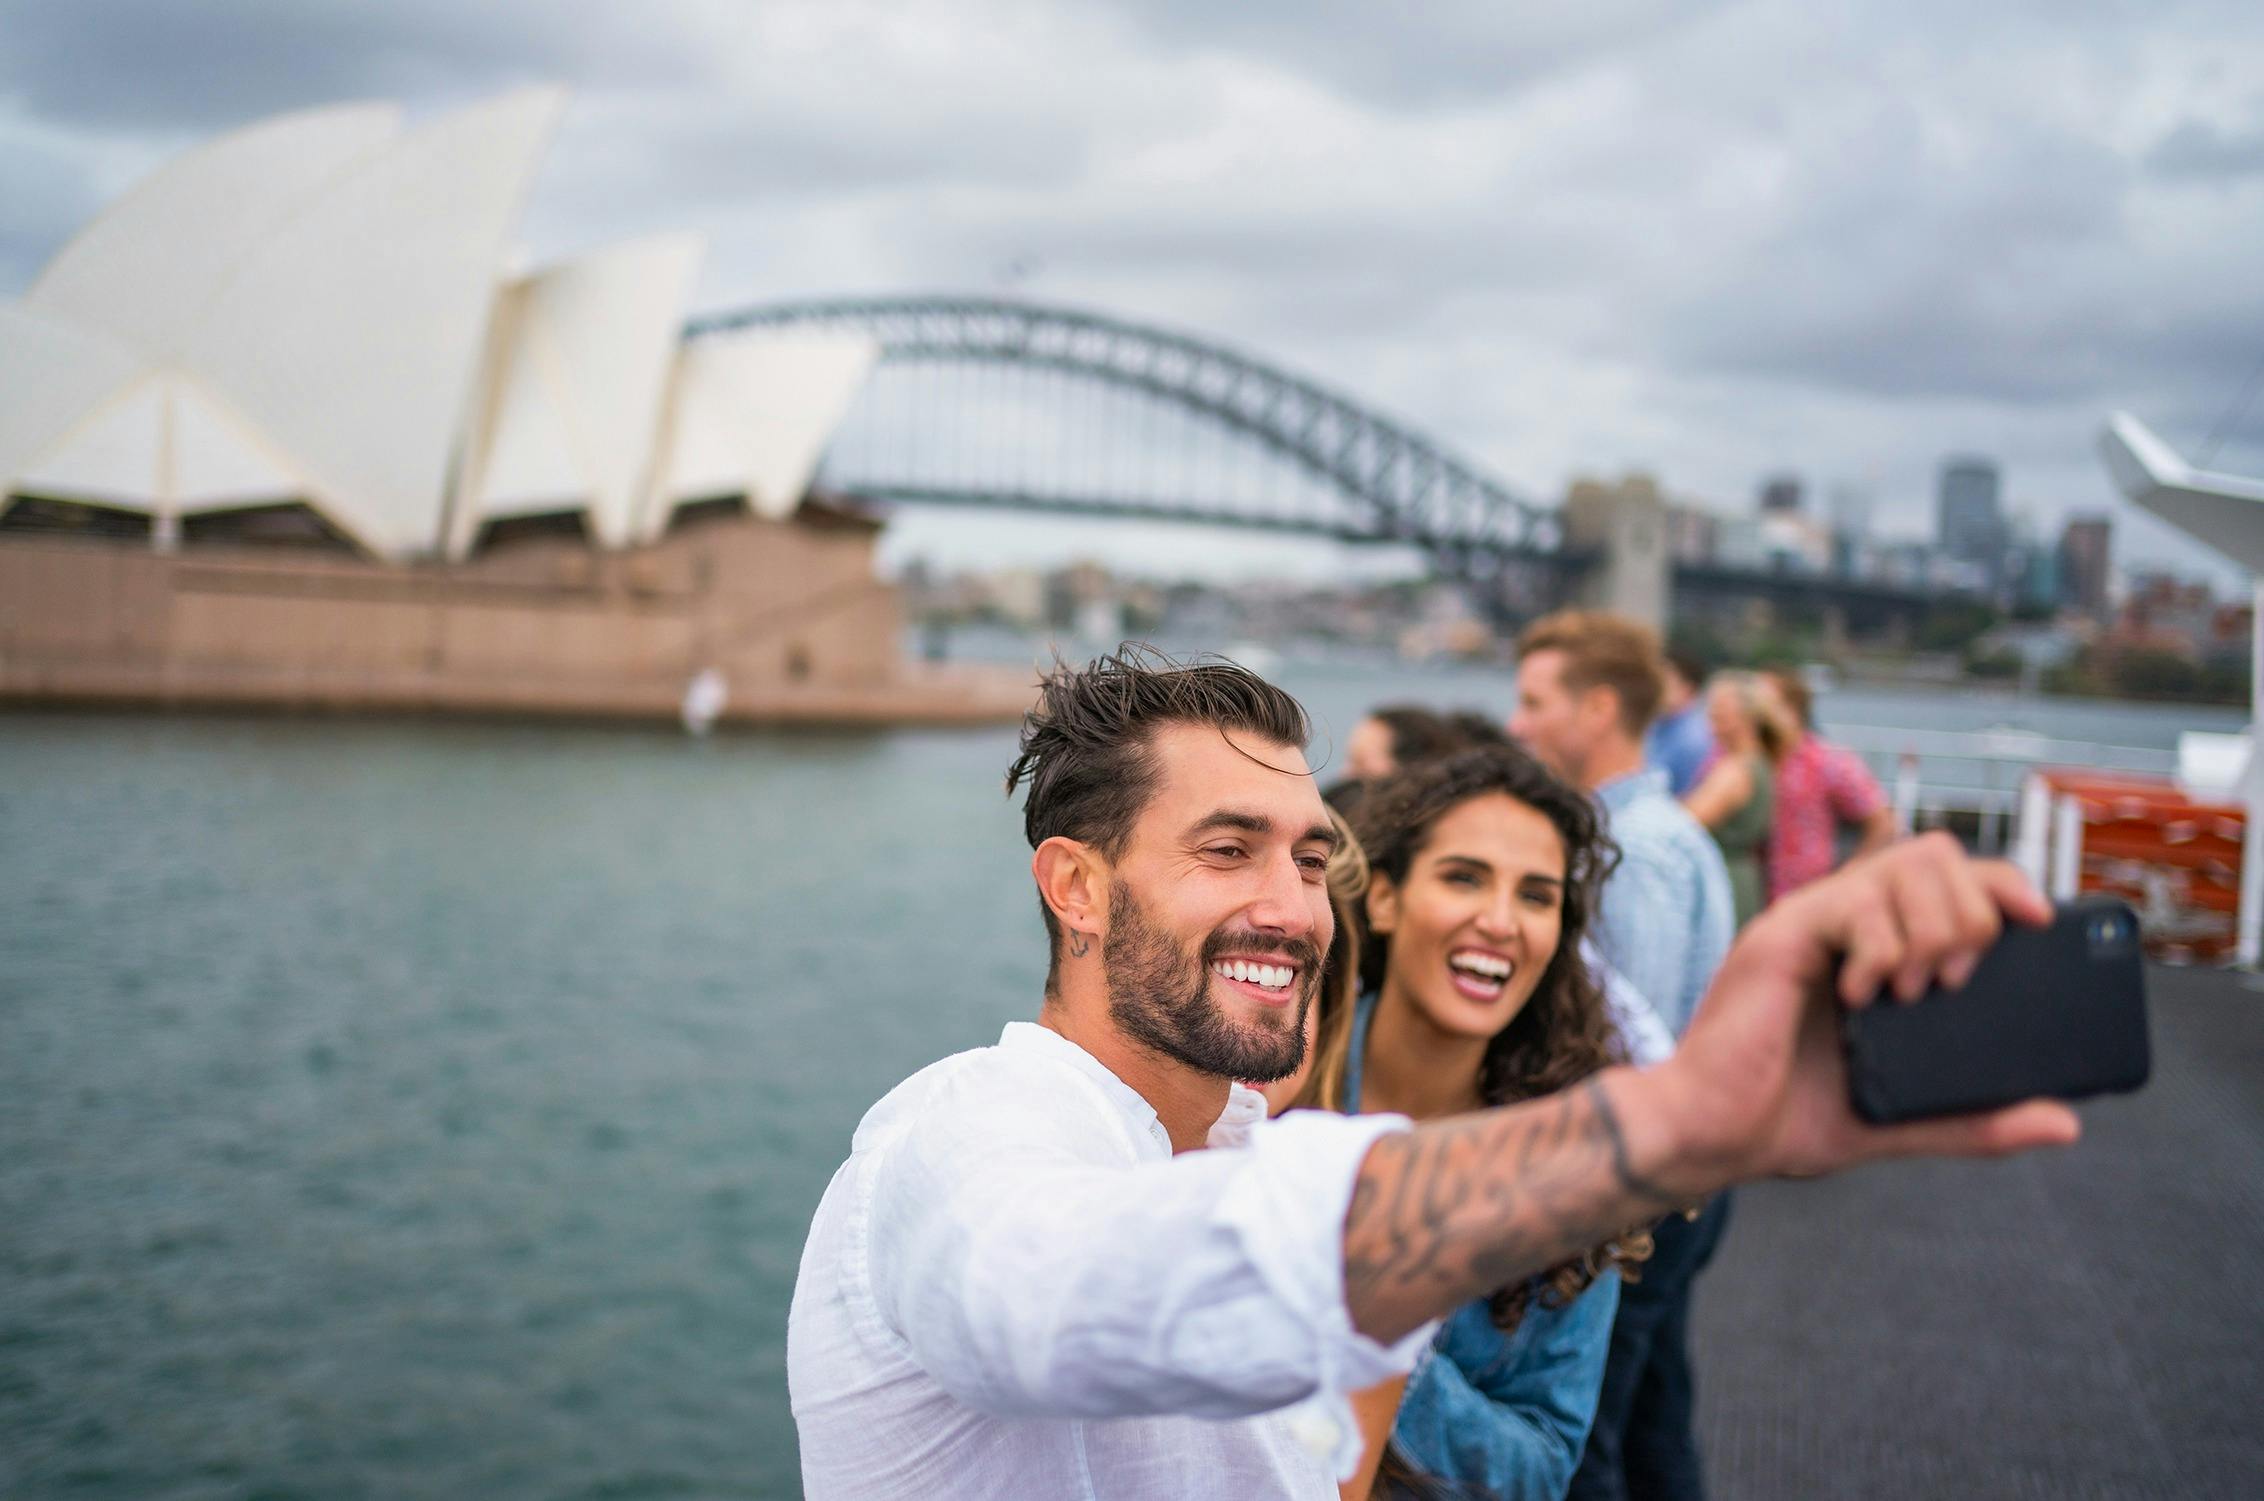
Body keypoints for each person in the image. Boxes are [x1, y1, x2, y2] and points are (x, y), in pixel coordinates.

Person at [788, 644, 2080, 1500]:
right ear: (1075, 887)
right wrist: (1680, 1121)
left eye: (1308, 858)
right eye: (1226, 849)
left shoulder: (1253, 1138)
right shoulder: (956, 1137)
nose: (1290, 906)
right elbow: (1053, 1290)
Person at [1297, 745, 1653, 1499]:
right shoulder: (1275, 1081)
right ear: (1385, 899)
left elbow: (1543, 1465)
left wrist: (1390, 1340)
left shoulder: (1574, 1174)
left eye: (1536, 896)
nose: (1499, 921)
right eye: (1464, 877)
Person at [1508, 611, 1736, 1501]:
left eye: (1536, 701)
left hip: (1644, 1184)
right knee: (1654, 1416)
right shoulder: (1669, 828)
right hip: (1693, 1175)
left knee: (1586, 1441)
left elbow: (1626, 1053)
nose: (1518, 723)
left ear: (1598, 708)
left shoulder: (1630, 851)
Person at [1760, 669, 1894, 902]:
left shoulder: (1827, 761)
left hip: (1808, 896)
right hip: (1757, 895)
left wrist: (1846, 877)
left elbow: (1883, 822)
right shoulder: (1751, 760)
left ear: (1791, 709)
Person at [1682, 672, 1790, 929]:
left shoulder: (1737, 770)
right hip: (1742, 878)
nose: (1711, 719)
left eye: (1720, 712)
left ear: (1747, 716)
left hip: (1724, 880)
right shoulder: (1760, 761)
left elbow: (1687, 822)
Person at [1642, 650, 1714, 797]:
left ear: (1688, 689)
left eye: (1663, 682)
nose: (1653, 688)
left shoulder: (1694, 739)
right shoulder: (1658, 722)